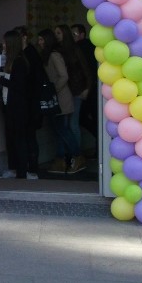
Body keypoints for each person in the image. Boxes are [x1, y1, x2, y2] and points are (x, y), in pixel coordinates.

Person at [0, 30, 37, 179]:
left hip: (18, 107)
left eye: (5, 43)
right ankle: (14, 169)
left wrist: (0, 80)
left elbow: (18, 85)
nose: (3, 45)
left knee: (18, 139)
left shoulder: (19, 61)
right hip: (11, 105)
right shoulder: (15, 60)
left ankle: (21, 172)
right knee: (12, 138)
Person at [38, 29, 83, 175]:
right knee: (59, 130)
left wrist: (53, 90)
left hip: (60, 98)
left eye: (41, 39)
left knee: (62, 129)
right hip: (58, 98)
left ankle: (76, 156)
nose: (39, 42)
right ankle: (62, 160)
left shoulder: (54, 55)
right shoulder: (49, 55)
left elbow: (63, 76)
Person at [55, 23, 91, 171]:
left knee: (71, 124)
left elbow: (85, 70)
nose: (56, 36)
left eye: (58, 33)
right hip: (66, 91)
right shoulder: (58, 51)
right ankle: (70, 156)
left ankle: (75, 156)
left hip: (75, 90)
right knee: (66, 124)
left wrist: (87, 88)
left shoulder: (74, 50)